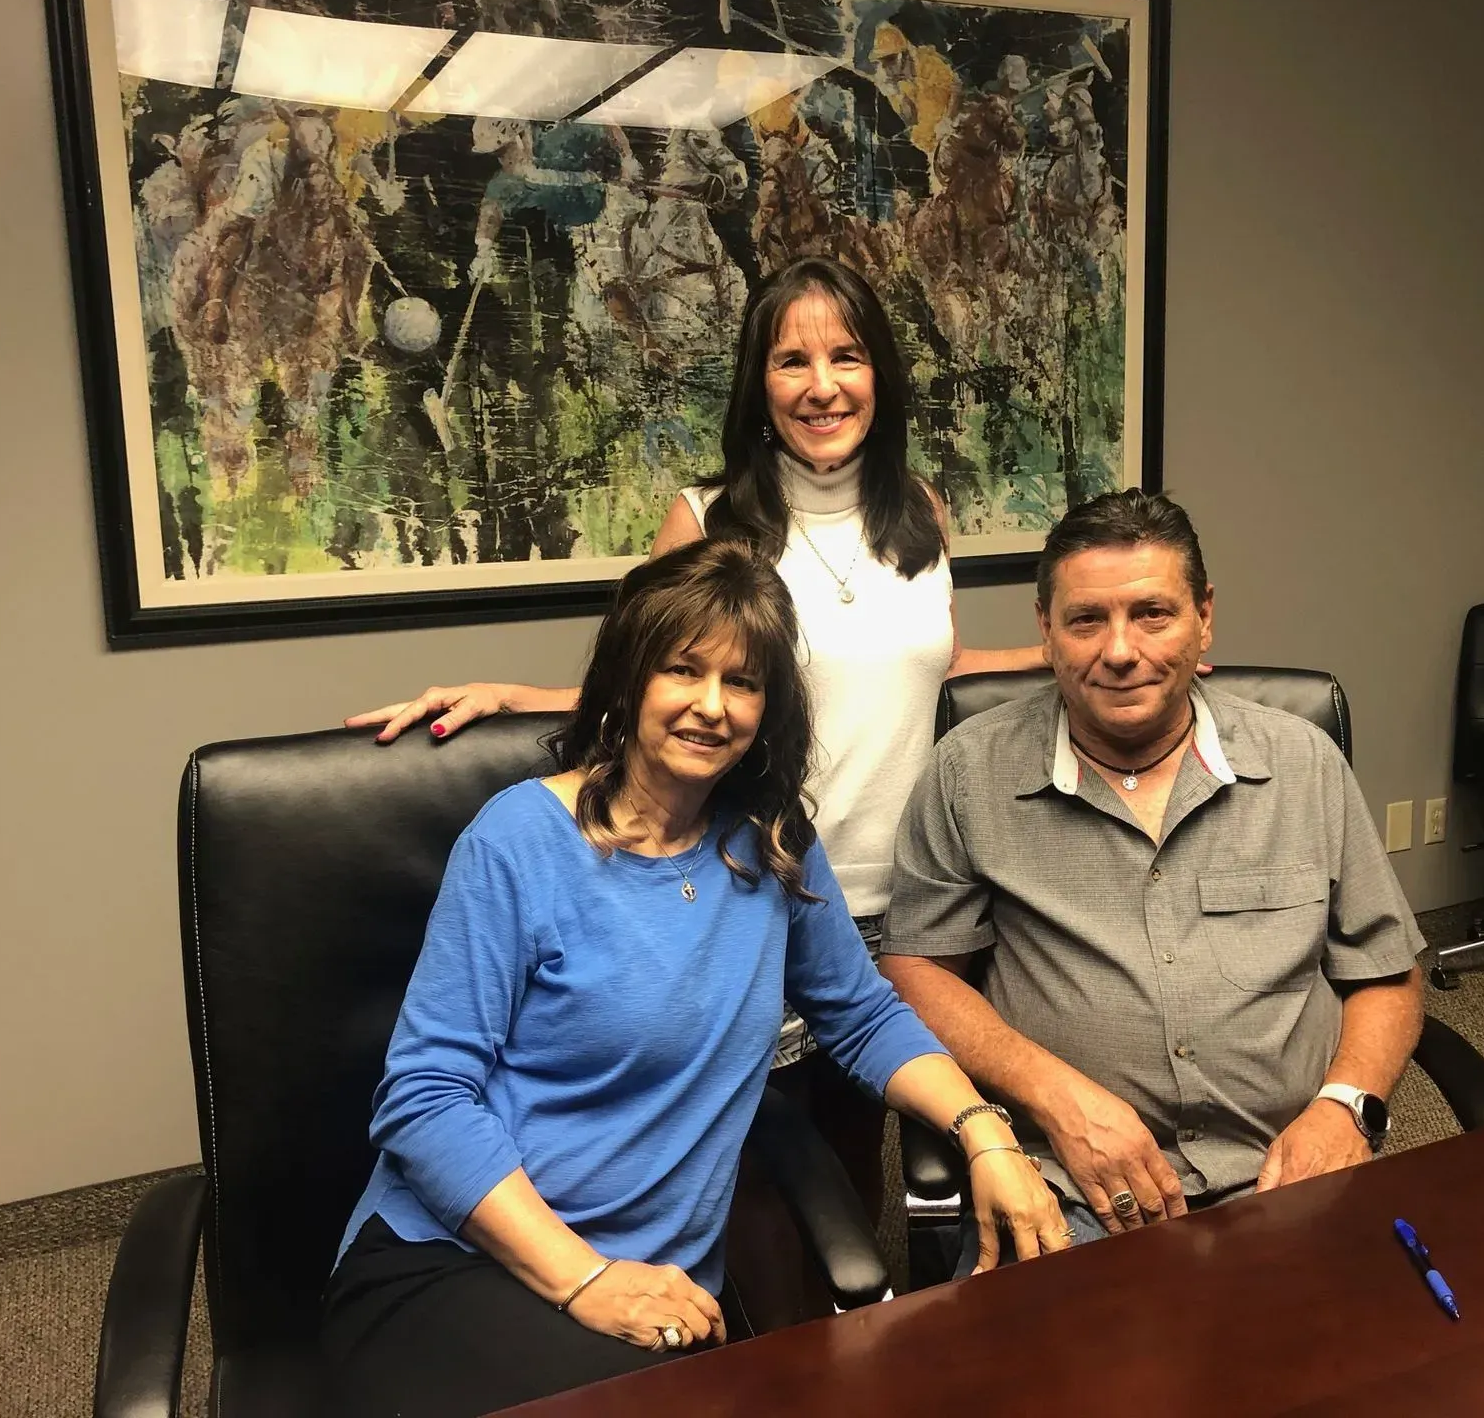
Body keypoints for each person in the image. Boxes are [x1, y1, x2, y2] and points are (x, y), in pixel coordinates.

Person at [345, 256, 1046, 1219]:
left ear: (879, 372)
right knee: (739, 1162)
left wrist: (1081, 655)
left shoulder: (919, 514)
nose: (822, 384)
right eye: (792, 359)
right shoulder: (709, 518)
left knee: (855, 1167)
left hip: (912, 899)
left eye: (847, 356)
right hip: (764, 885)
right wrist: (513, 695)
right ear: (760, 383)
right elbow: (653, 682)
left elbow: (935, 664)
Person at [322, 539, 1067, 1418]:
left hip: (653, 1296)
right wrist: (585, 1278)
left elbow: (863, 1017)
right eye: (683, 670)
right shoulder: (520, 841)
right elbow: (425, 1097)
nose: (711, 707)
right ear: (631, 678)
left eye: (743, 682)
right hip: (458, 1264)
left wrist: (984, 1133)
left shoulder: (772, 843)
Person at [880, 490, 1425, 1268]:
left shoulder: (1304, 765)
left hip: (1287, 1172)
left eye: (1153, 614)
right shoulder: (971, 772)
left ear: (1204, 617)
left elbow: (1388, 970)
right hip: (1076, 1189)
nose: (1121, 650)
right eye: (1086, 620)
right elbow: (919, 969)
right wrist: (1053, 1096)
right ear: (1045, 629)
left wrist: (1344, 1107)